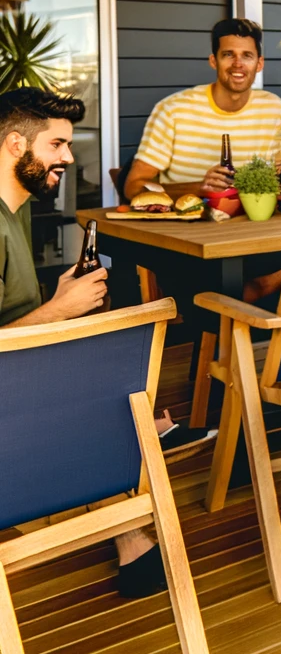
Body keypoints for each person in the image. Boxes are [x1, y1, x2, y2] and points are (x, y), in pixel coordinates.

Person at [0, 87, 165, 597]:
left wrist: (62, 297)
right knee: (113, 414)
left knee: (109, 391)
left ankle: (132, 534)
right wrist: (57, 311)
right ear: (13, 145)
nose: (69, 158)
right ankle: (133, 529)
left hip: (22, 386)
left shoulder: (16, 210)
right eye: (56, 145)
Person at [124, 18, 281, 202]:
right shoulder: (172, 110)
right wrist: (200, 188)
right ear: (213, 61)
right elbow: (134, 187)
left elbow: (279, 179)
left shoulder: (274, 108)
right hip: (184, 225)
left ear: (259, 64)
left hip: (252, 222)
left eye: (247, 56)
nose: (238, 64)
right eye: (228, 54)